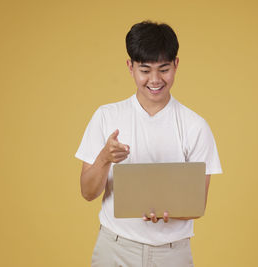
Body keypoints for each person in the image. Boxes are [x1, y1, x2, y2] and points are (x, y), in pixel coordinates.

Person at [75, 20, 222, 267]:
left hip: (172, 253)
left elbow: (198, 205)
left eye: (163, 69)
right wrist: (104, 158)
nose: (155, 80)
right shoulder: (106, 116)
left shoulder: (195, 126)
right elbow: (88, 193)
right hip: (115, 248)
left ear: (176, 65)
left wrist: (166, 209)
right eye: (145, 70)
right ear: (130, 67)